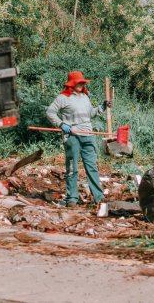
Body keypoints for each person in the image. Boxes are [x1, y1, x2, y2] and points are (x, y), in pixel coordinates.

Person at [46, 71, 110, 207]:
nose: (81, 84)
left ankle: (98, 197)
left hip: (88, 135)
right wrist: (62, 124)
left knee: (91, 167)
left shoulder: (85, 97)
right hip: (72, 136)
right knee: (72, 168)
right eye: (78, 82)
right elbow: (50, 112)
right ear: (72, 84)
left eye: (82, 82)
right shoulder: (63, 98)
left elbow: (90, 114)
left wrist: (102, 107)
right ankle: (72, 199)